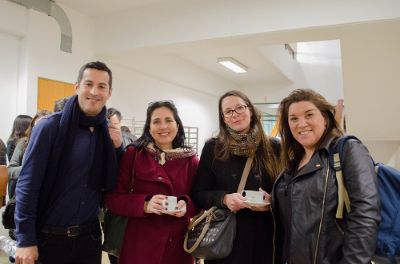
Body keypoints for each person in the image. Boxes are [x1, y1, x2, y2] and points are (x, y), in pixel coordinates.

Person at [14, 61, 123, 264]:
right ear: (76, 87)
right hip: (49, 237)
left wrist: (118, 148)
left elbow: (116, 178)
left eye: (101, 86)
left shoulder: (107, 134)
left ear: (109, 93)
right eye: (88, 84)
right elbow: (27, 185)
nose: (94, 91)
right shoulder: (49, 128)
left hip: (89, 238)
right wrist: (25, 238)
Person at [271, 89, 380, 264]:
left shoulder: (348, 150)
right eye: (294, 118)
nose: (301, 123)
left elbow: (366, 216)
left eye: (309, 115)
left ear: (325, 117)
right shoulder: (293, 161)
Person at [191, 90, 281, 264]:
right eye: (228, 111)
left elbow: (287, 191)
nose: (235, 114)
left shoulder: (274, 147)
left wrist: (272, 201)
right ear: (223, 118)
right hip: (225, 240)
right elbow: (199, 193)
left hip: (265, 238)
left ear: (250, 111)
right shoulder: (213, 148)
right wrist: (224, 199)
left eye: (240, 108)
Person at [105, 100, 199, 264]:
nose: (163, 127)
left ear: (177, 125)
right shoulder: (134, 155)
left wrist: (186, 205)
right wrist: (144, 204)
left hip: (178, 248)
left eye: (168, 120)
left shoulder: (190, 160)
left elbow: (199, 199)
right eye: (156, 121)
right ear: (149, 127)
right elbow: (112, 199)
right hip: (139, 246)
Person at [8, 110, 52, 199]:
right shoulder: (24, 143)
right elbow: (10, 170)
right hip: (25, 193)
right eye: (37, 127)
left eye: (45, 127)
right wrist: (30, 169)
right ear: (32, 128)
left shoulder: (57, 146)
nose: (40, 131)